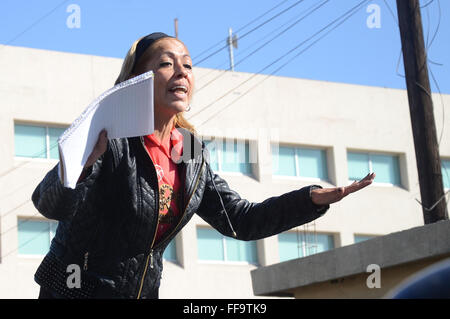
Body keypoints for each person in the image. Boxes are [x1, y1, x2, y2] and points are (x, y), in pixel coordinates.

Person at [32, 32, 375, 299]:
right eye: (167, 63)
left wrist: (311, 199)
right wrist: (81, 166)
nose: (181, 71)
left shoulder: (190, 153)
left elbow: (241, 220)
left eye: (188, 65)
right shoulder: (110, 136)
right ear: (137, 77)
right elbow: (49, 204)